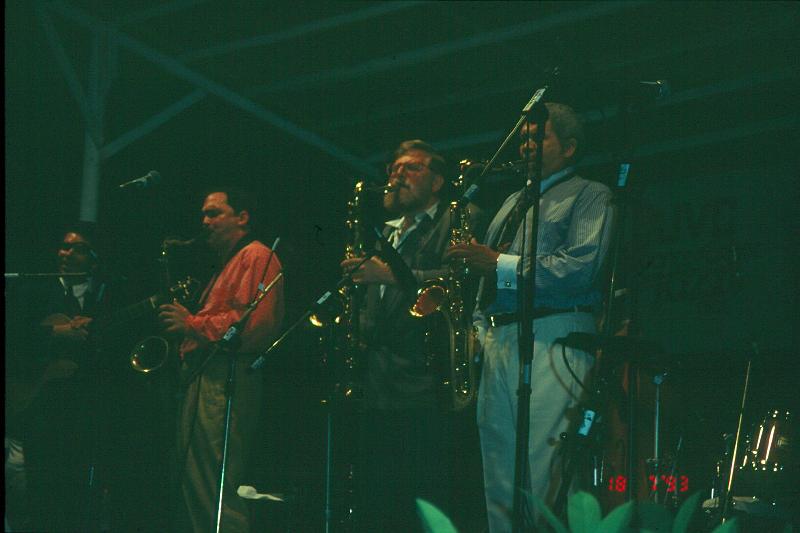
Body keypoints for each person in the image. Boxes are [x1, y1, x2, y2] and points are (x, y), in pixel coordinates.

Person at [446, 103, 615, 532]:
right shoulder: (510, 202)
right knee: (499, 473)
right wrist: (477, 328)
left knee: (546, 466)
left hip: (556, 335)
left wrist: (499, 263)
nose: (525, 145)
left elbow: (581, 267)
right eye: (523, 138)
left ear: (571, 147)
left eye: (538, 137)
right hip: (503, 337)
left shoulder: (590, 193)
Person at [341, 140, 484, 532]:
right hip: (379, 380)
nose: (395, 176)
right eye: (393, 169)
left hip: (427, 378)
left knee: (426, 492)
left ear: (437, 182)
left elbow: (458, 284)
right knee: (382, 498)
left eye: (410, 169)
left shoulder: (459, 218)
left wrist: (387, 275)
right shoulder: (387, 232)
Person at [159, 187, 285, 533]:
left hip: (224, 380)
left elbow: (255, 326)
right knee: (196, 482)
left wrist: (192, 323)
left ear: (242, 218)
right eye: (204, 214)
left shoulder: (256, 256)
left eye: (214, 213)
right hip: (206, 378)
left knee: (214, 484)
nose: (205, 221)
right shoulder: (227, 264)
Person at [5, 223, 120, 532]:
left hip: (83, 413)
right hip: (40, 410)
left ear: (94, 259)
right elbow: (15, 338)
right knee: (40, 490)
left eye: (77, 248)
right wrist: (57, 333)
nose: (66, 254)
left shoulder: (104, 297)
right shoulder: (34, 292)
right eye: (64, 247)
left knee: (78, 492)